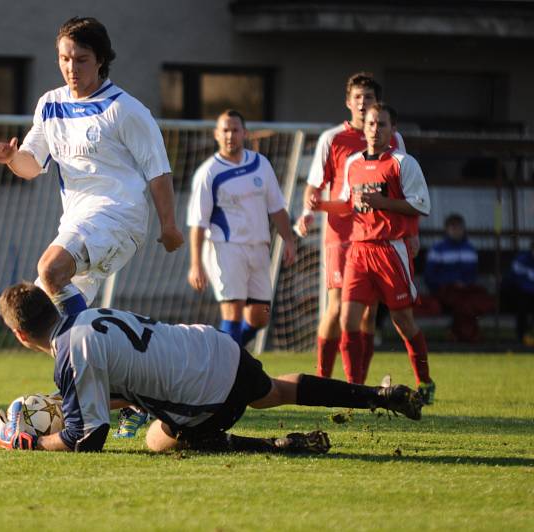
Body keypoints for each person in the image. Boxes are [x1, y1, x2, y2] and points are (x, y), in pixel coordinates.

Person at [0, 282, 424, 453]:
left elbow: (89, 437)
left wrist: (26, 441)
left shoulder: (69, 354)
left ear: (20, 335)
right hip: (215, 347)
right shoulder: (89, 318)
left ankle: (275, 446)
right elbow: (127, 377)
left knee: (158, 441)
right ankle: (379, 396)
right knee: (274, 391)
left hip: (204, 393)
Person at [0, 16, 183, 317]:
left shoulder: (125, 110)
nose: (71, 68)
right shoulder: (51, 104)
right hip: (77, 222)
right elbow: (30, 166)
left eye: (81, 60)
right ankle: (90, 358)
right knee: (38, 316)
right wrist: (12, 158)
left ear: (100, 60)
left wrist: (169, 225)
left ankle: (99, 347)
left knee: (49, 269)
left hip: (119, 218)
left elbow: (158, 170)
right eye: (64, 59)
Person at [312, 103, 436, 404]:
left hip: (390, 250)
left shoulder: (403, 163)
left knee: (402, 321)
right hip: (358, 250)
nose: (375, 130)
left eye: (382, 124)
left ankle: (425, 382)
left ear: (393, 129)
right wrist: (320, 205)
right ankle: (354, 389)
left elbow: (421, 205)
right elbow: (346, 203)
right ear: (363, 127)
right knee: (347, 319)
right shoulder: (353, 162)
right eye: (370, 124)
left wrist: (382, 202)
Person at [295, 72, 410, 384]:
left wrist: (409, 235)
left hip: (375, 236)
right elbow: (314, 186)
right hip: (341, 235)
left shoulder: (393, 140)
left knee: (368, 314)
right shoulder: (332, 139)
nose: (363, 104)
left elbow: (404, 189)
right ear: (348, 102)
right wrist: (307, 211)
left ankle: (356, 384)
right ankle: (321, 379)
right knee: (336, 309)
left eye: (369, 98)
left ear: (378, 103)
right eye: (357, 98)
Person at [186, 109, 296, 347]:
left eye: (235, 130)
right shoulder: (209, 172)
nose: (230, 135)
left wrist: (288, 240)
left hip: (259, 247)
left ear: (244, 133)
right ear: (216, 134)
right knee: (233, 312)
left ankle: (222, 355)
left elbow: (276, 207)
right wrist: (195, 265)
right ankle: (231, 373)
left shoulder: (261, 164)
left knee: (260, 315)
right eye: (225, 130)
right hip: (226, 248)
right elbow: (197, 223)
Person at [424, 213, 495, 342]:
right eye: (453, 228)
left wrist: (464, 283)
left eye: (459, 228)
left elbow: (472, 275)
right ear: (447, 229)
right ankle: (469, 335)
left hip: (465, 289)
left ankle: (457, 333)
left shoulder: (470, 249)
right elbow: (430, 276)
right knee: (465, 304)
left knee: (477, 299)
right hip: (446, 289)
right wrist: (449, 283)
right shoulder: (437, 250)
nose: (456, 231)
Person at [501, 242, 534, 345]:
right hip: (519, 294)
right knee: (522, 303)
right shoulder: (521, 261)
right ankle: (521, 336)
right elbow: (519, 283)